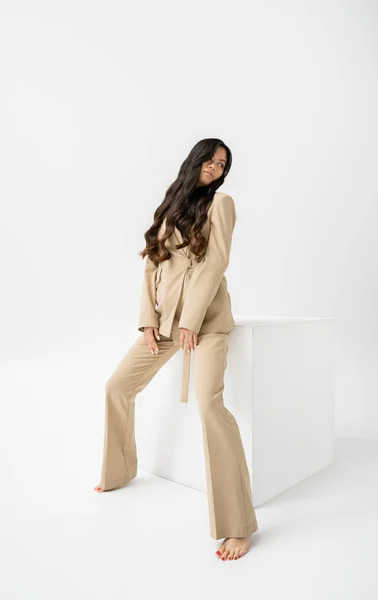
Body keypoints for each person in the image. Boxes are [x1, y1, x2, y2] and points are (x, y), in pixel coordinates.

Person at [94, 138, 258, 561]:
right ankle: (119, 471)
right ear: (196, 160)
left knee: (209, 408)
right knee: (117, 387)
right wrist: (148, 319)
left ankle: (238, 525)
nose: (216, 167)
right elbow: (152, 263)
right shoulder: (172, 205)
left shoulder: (222, 205)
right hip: (165, 325)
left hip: (206, 325)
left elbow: (216, 262)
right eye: (210, 159)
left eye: (223, 164)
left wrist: (191, 321)